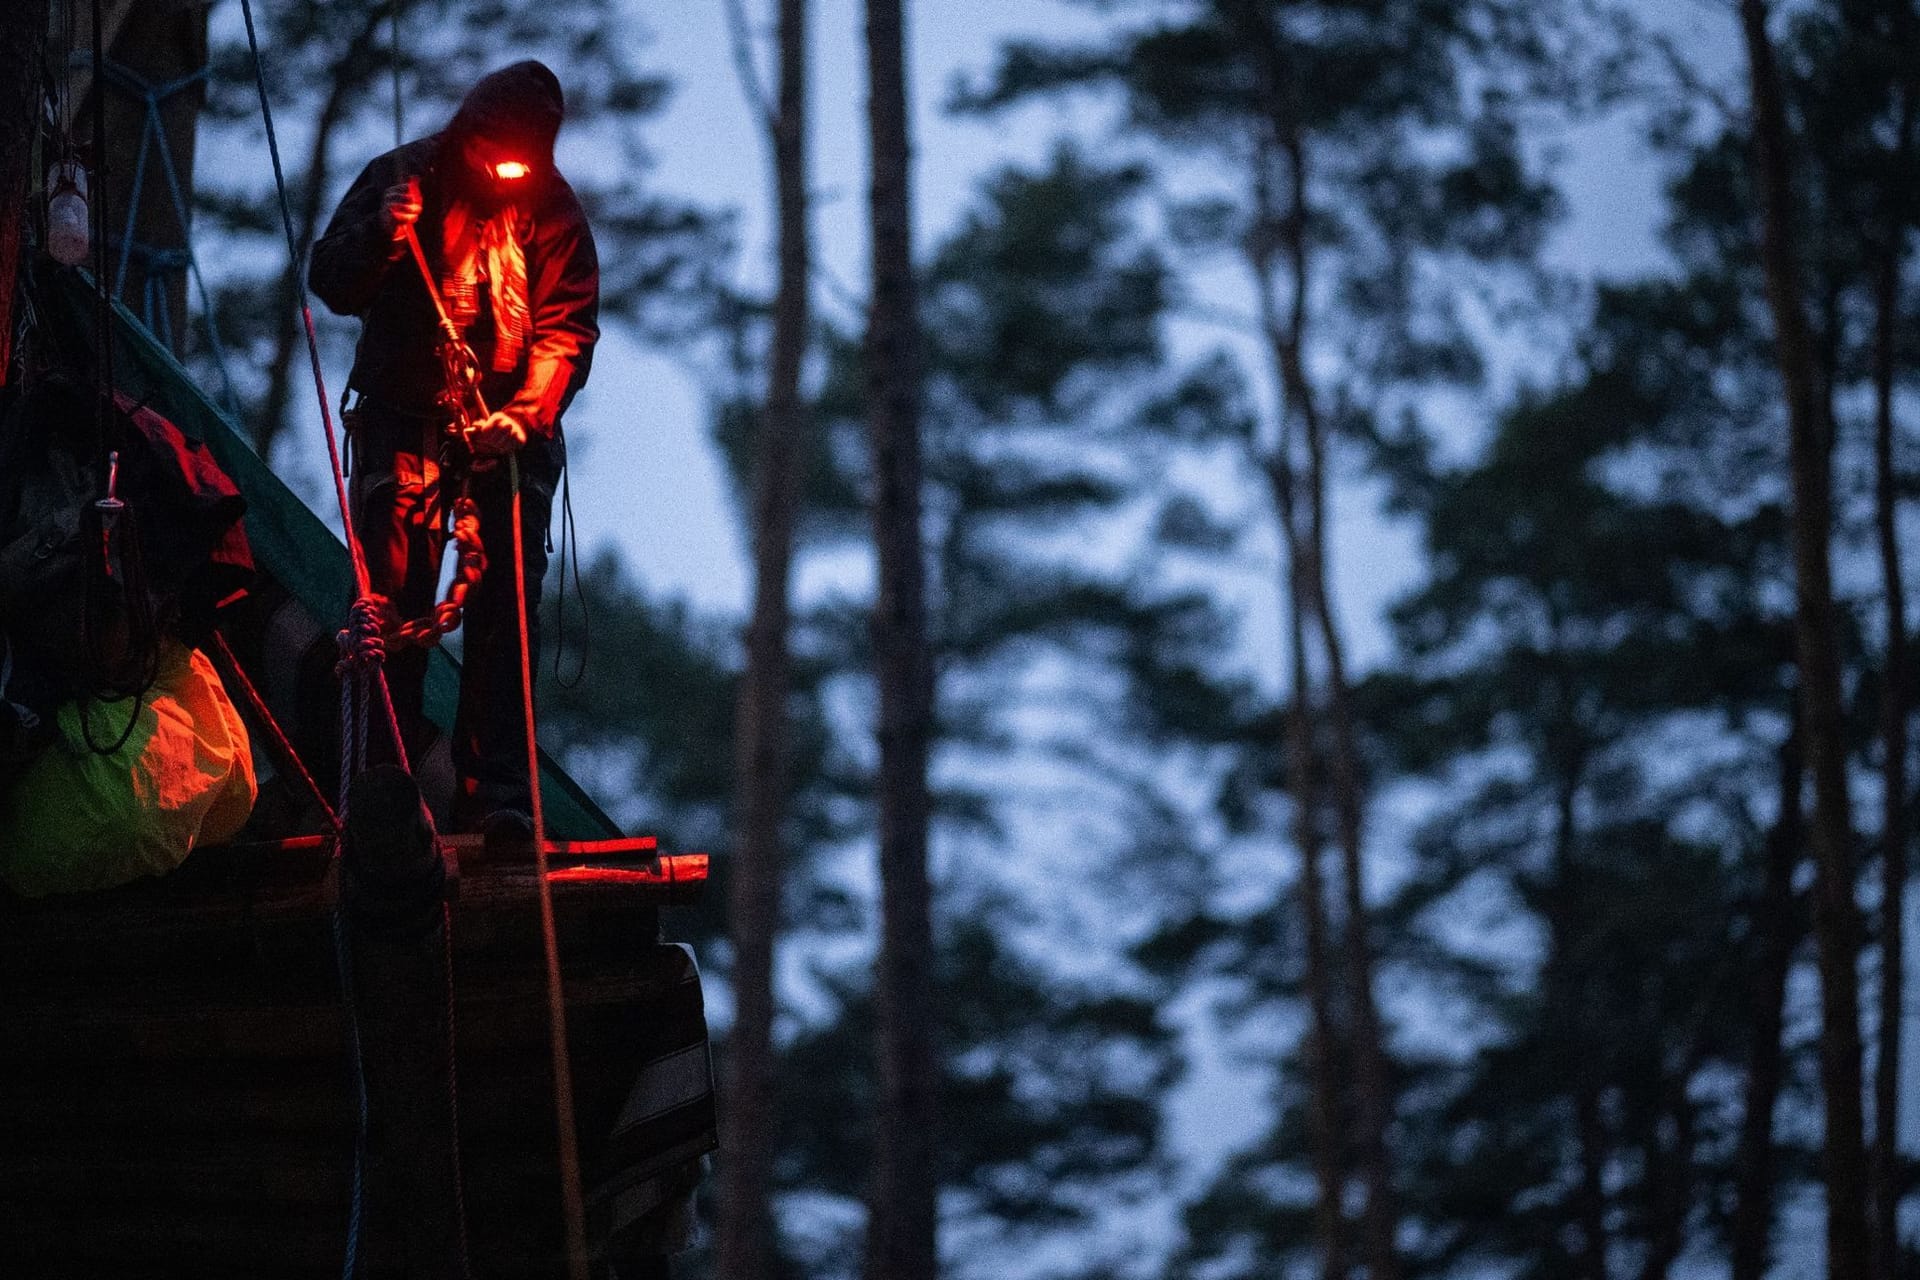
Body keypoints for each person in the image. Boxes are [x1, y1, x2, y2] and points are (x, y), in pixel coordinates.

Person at [310, 61, 598, 841]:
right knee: (389, 607)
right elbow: (332, 278)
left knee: (505, 617)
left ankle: (498, 800)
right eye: (490, 154)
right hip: (404, 428)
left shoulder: (555, 214)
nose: (500, 171)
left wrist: (528, 413)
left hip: (505, 445)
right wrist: (380, 233)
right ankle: (378, 792)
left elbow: (567, 329)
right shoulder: (404, 176)